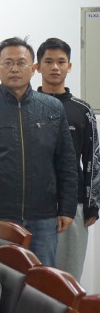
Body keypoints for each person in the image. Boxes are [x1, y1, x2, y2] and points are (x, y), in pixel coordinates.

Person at [0, 37, 78, 267]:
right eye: (8, 63)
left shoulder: (52, 108)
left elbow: (66, 162)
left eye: (21, 63)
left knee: (41, 281)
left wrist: (67, 209)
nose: (15, 69)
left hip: (43, 217)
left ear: (33, 68)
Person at [36, 37, 99, 280]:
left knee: (68, 279)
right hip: (33, 206)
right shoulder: (27, 106)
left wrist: (92, 204)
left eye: (61, 62)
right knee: (34, 279)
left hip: (74, 205)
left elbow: (93, 158)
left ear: (69, 66)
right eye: (48, 61)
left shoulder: (83, 110)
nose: (55, 67)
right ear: (37, 66)